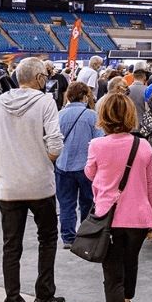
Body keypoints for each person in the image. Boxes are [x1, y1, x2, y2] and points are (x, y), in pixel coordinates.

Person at [0, 57, 66, 302]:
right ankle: (44, 298)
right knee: (47, 240)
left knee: (11, 247)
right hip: (41, 187)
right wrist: (41, 162)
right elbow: (56, 145)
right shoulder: (46, 102)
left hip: (8, 188)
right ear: (39, 78)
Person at [85, 93, 152, 302]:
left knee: (112, 275)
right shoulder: (144, 146)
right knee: (130, 264)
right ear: (129, 115)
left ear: (103, 116)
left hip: (109, 220)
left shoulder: (97, 145)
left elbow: (90, 173)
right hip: (139, 219)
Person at [55, 82, 103, 249]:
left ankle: (68, 238)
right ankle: (85, 235)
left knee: (66, 203)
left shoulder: (59, 115)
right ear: (85, 96)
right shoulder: (92, 116)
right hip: (86, 168)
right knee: (87, 203)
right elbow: (99, 141)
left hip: (63, 165)